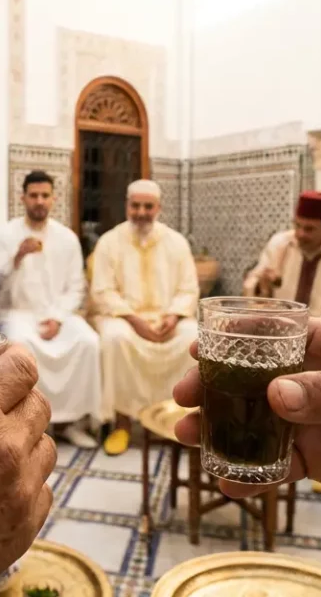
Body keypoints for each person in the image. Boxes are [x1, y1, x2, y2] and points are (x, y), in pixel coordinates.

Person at [0, 171, 102, 448]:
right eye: (33, 195)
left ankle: (71, 422)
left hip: (57, 313)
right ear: (23, 198)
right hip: (18, 313)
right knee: (20, 345)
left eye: (44, 196)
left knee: (88, 341)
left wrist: (58, 318)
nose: (39, 201)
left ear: (54, 199)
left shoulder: (67, 238)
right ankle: (32, 423)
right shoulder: (6, 234)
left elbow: (76, 288)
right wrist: (17, 256)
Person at [90, 179, 198, 456]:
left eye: (147, 206)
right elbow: (102, 291)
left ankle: (180, 418)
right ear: (127, 206)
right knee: (116, 339)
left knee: (193, 338)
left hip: (167, 318)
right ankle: (122, 423)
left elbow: (188, 289)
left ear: (158, 208)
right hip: (123, 317)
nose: (141, 212)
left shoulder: (177, 242)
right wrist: (134, 320)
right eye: (135, 205)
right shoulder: (109, 242)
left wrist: (173, 317)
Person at [242, 190, 321, 326]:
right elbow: (252, 289)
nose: (300, 234)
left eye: (309, 229)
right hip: (279, 335)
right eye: (297, 225)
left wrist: (299, 328)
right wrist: (261, 284)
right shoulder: (280, 243)